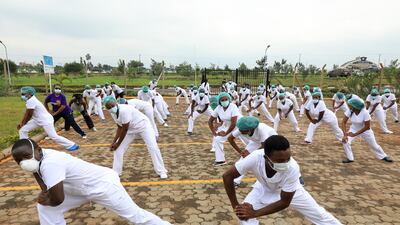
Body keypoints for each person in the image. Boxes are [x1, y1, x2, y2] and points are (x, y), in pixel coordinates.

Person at [11, 139, 171, 225]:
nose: (23, 162)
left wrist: (45, 197)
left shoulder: (51, 162)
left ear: (38, 150)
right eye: (19, 161)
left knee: (136, 216)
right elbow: (45, 188)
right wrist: (45, 197)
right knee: (45, 208)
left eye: (26, 157)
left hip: (103, 186)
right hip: (79, 188)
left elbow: (57, 199)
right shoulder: (39, 158)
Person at [222, 135, 342, 225]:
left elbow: (285, 202)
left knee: (320, 216)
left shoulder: (293, 168)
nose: (285, 163)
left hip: (292, 192)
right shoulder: (255, 157)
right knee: (243, 216)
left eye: (288, 158)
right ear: (266, 158)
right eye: (279, 161)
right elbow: (227, 176)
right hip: (263, 188)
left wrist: (255, 213)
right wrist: (236, 206)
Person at [103, 96, 168, 178]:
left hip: (143, 126)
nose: (111, 108)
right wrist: (114, 142)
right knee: (118, 149)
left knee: (153, 147)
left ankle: (161, 171)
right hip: (131, 129)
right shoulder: (113, 113)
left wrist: (117, 143)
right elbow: (119, 127)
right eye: (108, 107)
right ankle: (116, 172)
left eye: (112, 106)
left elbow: (124, 129)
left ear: (116, 103)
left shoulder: (124, 110)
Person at [18, 87, 79, 151]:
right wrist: (22, 123)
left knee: (53, 136)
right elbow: (27, 113)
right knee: (22, 130)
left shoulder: (31, 101)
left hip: (46, 120)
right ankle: (26, 146)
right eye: (22, 94)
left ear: (30, 94)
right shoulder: (30, 100)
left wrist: (22, 123)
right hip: (37, 120)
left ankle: (72, 144)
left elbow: (29, 115)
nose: (22, 96)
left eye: (24, 94)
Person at [227, 116, 277, 186]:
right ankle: (236, 181)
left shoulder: (261, 129)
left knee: (264, 161)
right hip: (256, 142)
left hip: (271, 142)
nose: (240, 131)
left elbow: (264, 146)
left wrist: (251, 154)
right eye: (240, 130)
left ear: (250, 129)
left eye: (242, 131)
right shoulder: (242, 128)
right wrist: (241, 152)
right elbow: (230, 139)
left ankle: (266, 181)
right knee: (244, 158)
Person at [341, 98, 393, 163]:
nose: (349, 106)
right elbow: (343, 122)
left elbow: (367, 127)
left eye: (350, 105)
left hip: (366, 131)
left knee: (373, 145)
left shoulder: (365, 113)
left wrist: (355, 134)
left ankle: (383, 156)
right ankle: (350, 158)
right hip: (353, 129)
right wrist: (345, 135)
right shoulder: (350, 111)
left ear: (355, 107)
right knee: (345, 141)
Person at [208, 92, 240, 166]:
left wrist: (225, 133)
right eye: (222, 100)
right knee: (217, 139)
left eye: (226, 99)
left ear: (229, 99)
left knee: (249, 140)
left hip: (239, 125)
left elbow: (233, 123)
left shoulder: (233, 106)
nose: (225, 101)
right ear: (219, 101)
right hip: (228, 126)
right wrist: (214, 132)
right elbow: (210, 121)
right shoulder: (218, 108)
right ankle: (220, 160)